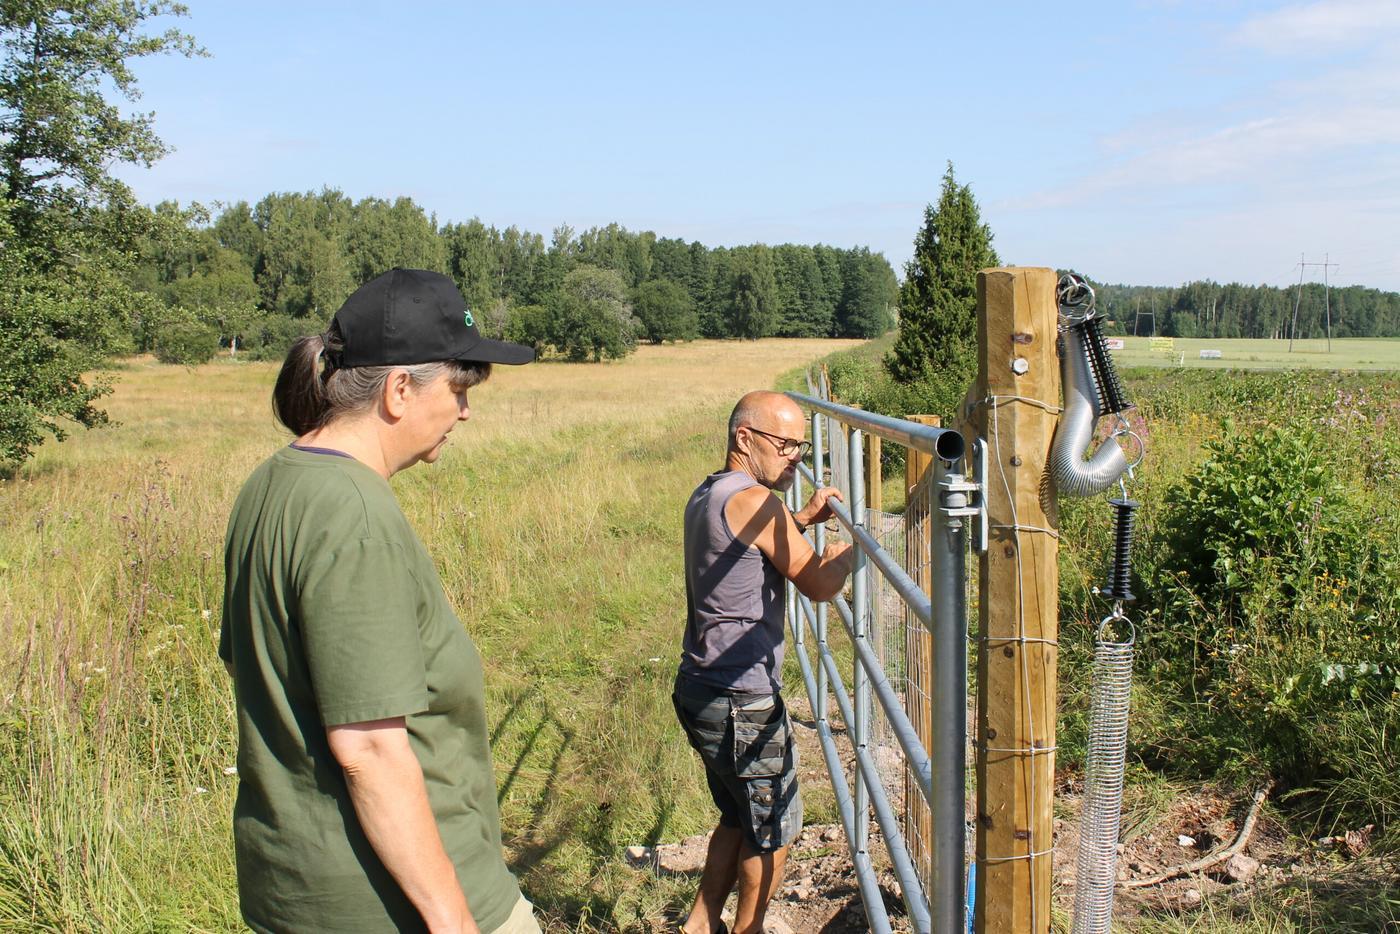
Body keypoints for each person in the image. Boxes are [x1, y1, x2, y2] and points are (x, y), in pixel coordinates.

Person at [220, 268, 539, 934]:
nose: (465, 411)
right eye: (459, 389)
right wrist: (454, 919)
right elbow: (368, 748)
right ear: (398, 389)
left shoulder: (272, 484)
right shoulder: (352, 511)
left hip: (296, 891)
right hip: (388, 905)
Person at [672, 390, 856, 934]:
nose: (795, 456)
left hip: (703, 689)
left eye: (801, 445)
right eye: (785, 444)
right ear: (744, 438)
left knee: (738, 816)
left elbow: (749, 547)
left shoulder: (713, 492)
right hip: (740, 698)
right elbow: (820, 584)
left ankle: (700, 926)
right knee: (773, 829)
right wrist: (857, 546)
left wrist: (798, 518)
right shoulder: (757, 501)